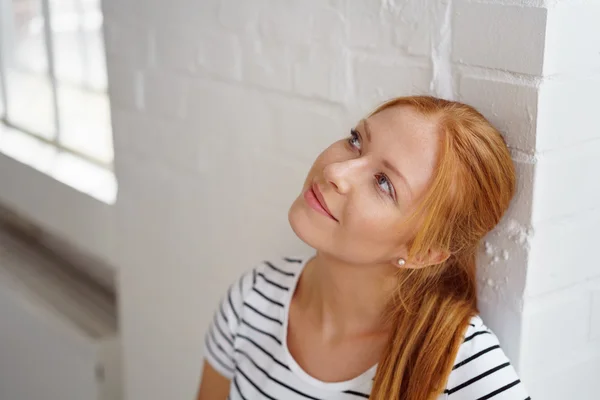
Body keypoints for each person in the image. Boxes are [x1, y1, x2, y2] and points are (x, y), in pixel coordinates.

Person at [196, 96, 531, 400]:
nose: (335, 171)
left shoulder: (455, 364)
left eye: (384, 183)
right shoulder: (253, 299)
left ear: (422, 253)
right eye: (356, 141)